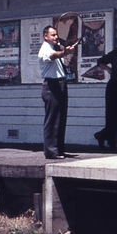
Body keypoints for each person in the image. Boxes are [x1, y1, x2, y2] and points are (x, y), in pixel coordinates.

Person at [38, 25, 75, 159]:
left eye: (56, 35)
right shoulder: (45, 49)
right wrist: (64, 53)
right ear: (45, 36)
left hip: (61, 83)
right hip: (51, 85)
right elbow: (53, 56)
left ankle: (59, 149)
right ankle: (50, 151)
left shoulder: (54, 47)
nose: (55, 37)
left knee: (61, 118)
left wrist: (65, 48)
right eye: (52, 35)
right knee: (52, 119)